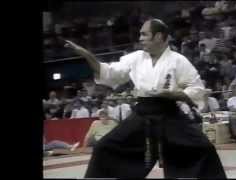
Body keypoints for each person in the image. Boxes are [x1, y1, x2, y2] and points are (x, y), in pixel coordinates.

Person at [65, 18, 226, 178]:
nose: (140, 38)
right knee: (103, 148)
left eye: (144, 34)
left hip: (169, 114)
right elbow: (108, 72)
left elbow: (196, 88)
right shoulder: (136, 57)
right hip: (142, 115)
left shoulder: (178, 60)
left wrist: (174, 94)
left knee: (205, 148)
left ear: (158, 36)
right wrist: (87, 55)